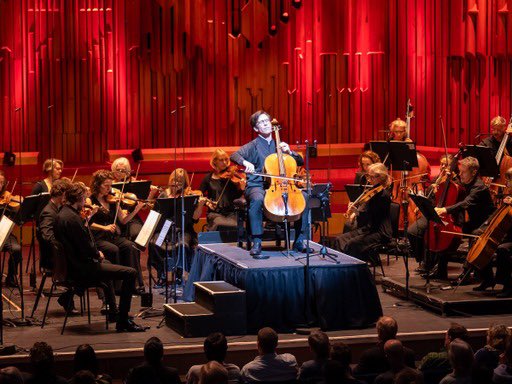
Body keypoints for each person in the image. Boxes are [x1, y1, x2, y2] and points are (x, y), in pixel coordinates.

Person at [55, 181, 146, 332]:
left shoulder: (63, 214)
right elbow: (85, 247)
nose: (85, 201)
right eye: (84, 198)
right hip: (81, 269)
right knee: (131, 273)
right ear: (78, 198)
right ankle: (123, 321)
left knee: (108, 262)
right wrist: (97, 253)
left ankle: (113, 312)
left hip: (73, 265)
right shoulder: (73, 219)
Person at [230, 110, 312, 258]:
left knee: (304, 197)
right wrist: (245, 162)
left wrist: (291, 152)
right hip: (257, 185)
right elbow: (234, 155)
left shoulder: (279, 145)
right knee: (257, 199)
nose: (266, 123)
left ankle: (300, 240)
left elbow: (299, 162)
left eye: (266, 120)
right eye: (261, 122)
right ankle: (257, 241)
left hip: (280, 186)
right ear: (256, 128)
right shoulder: (252, 146)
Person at [434, 156, 495, 283]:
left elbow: (465, 203)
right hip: (473, 220)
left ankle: (466, 275)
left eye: (463, 172)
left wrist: (445, 209)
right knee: (445, 227)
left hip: (487, 221)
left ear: (473, 172)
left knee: (474, 235)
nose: (460, 174)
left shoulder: (479, 187)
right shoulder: (464, 182)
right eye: (459, 171)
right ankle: (441, 270)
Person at [88, 170, 146, 294]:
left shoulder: (113, 200)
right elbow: (87, 223)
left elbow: (123, 221)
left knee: (130, 246)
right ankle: (116, 287)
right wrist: (104, 227)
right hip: (98, 237)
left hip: (112, 236)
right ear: (98, 185)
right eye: (106, 186)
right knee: (113, 249)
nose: (109, 189)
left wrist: (136, 210)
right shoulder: (90, 200)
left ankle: (133, 284)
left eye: (111, 185)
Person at [148, 168, 206, 285]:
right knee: (155, 244)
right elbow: (154, 213)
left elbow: (194, 218)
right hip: (165, 228)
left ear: (184, 183)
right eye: (174, 180)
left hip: (184, 228)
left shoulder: (189, 195)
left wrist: (200, 205)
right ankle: (162, 272)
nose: (176, 184)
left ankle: (179, 273)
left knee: (182, 245)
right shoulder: (164, 194)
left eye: (180, 182)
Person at [407, 154, 454, 275]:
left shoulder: (454, 180)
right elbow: (428, 195)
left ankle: (429, 263)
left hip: (444, 215)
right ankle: (422, 259)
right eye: (441, 164)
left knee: (428, 233)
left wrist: (444, 186)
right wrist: (431, 189)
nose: (443, 167)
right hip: (431, 212)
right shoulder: (438, 178)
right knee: (412, 231)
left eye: (446, 164)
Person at [336, 163, 392, 261]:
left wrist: (357, 212)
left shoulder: (383, 195)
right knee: (339, 240)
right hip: (368, 229)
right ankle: (341, 266)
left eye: (371, 177)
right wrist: (355, 209)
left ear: (381, 177)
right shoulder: (372, 192)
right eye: (368, 176)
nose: (369, 180)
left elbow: (370, 218)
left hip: (380, 232)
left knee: (352, 244)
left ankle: (354, 269)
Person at [37, 178, 77, 312]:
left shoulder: (58, 208)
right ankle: (67, 297)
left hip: (61, 254)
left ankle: (67, 297)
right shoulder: (49, 212)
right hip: (52, 257)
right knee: (85, 265)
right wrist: (65, 246)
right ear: (63, 194)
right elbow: (48, 236)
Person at [472, 167, 512, 297]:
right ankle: (487, 278)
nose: (507, 183)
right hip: (505, 235)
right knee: (477, 237)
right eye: (507, 179)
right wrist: (484, 227)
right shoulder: (509, 196)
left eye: (510, 180)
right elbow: (496, 215)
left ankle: (508, 285)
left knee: (502, 249)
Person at [199, 149, 245, 231]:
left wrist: (241, 188)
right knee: (219, 224)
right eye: (221, 160)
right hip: (215, 214)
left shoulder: (231, 176)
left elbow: (236, 196)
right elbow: (200, 195)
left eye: (226, 160)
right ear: (215, 161)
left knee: (237, 225)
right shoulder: (208, 178)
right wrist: (207, 203)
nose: (224, 162)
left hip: (231, 213)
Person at [0, 171, 22, 288]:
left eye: (1, 183)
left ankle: (11, 276)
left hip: (5, 233)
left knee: (16, 249)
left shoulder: (8, 197)